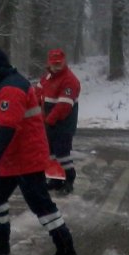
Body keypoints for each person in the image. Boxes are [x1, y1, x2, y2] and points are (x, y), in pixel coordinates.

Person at [0, 47, 78, 255]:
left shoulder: (11, 89)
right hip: (12, 159)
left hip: (26, 159)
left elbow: (8, 128)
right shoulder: (1, 87)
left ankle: (66, 251)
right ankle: (0, 242)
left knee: (41, 204)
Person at [35, 48, 81, 195]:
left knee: (62, 154)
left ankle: (69, 179)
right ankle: (55, 179)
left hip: (63, 124)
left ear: (63, 62)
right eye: (53, 63)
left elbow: (64, 106)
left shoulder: (70, 80)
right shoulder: (48, 77)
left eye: (58, 63)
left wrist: (49, 120)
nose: (56, 66)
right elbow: (37, 93)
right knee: (50, 153)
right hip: (49, 122)